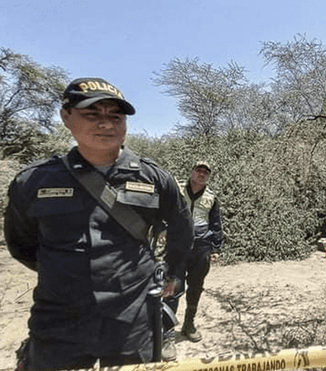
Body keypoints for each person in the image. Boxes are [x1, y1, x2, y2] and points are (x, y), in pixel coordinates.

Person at [3, 77, 194, 370]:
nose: (106, 124)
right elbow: (21, 243)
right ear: (66, 116)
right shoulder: (33, 181)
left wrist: (173, 272)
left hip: (132, 316)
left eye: (115, 116)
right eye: (92, 115)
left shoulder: (154, 178)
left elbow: (182, 229)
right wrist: (64, 272)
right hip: (58, 318)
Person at [162, 160, 224, 361]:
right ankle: (167, 335)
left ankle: (189, 325)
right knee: (171, 288)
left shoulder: (211, 197)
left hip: (201, 247)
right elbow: (162, 209)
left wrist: (215, 247)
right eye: (198, 170)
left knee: (196, 286)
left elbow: (216, 222)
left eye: (205, 172)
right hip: (177, 246)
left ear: (208, 176)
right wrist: (161, 227)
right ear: (191, 171)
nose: (201, 174)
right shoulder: (177, 190)